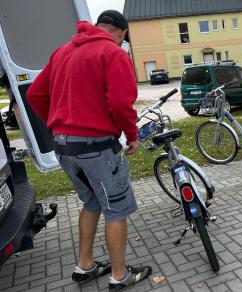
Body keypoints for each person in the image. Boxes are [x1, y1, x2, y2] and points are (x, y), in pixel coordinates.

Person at [26, 10, 151, 292]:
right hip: (97, 148)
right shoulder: (113, 53)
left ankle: (85, 265)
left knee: (92, 202)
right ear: (121, 32)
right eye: (124, 39)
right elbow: (121, 103)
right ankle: (119, 275)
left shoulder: (62, 52)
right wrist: (132, 136)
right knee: (116, 208)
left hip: (64, 147)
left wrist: (58, 123)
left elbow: (35, 94)